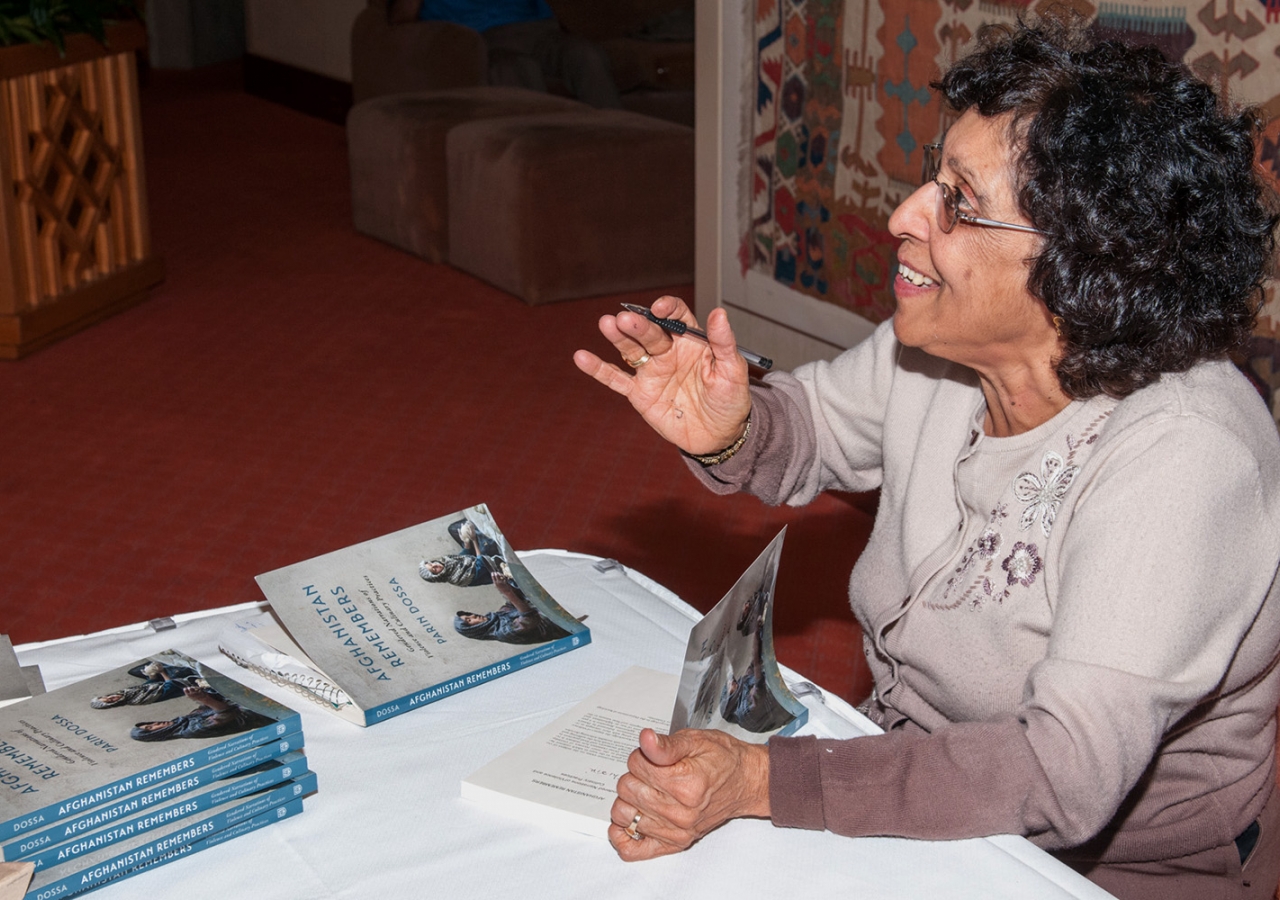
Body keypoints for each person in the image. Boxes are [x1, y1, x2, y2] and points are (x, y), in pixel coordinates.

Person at [573, 18, 1280, 900]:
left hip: (1100, 872)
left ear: (1085, 266)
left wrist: (764, 782)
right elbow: (817, 428)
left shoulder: (1185, 457)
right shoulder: (946, 349)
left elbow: (1062, 772)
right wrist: (732, 426)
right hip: (906, 786)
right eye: (929, 176)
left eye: (958, 200)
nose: (905, 214)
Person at [388, 0, 622, 109]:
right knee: (518, 69)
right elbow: (399, 16)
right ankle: (542, 164)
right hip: (485, 37)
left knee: (587, 55)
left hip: (538, 29)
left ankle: (618, 150)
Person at [453, 572, 574, 644]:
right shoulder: (503, 633)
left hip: (553, 610)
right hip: (564, 623)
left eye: (469, 615)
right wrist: (507, 591)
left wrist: (502, 584)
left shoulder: (497, 617)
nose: (473, 616)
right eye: (469, 620)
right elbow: (530, 618)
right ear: (473, 630)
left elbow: (510, 604)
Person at [131, 685, 275, 742]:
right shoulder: (189, 730)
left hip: (248, 704)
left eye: (149, 723)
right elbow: (226, 714)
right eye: (150, 728)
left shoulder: (182, 722)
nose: (155, 724)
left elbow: (205, 709)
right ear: (154, 735)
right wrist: (203, 698)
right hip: (260, 711)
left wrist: (200, 694)